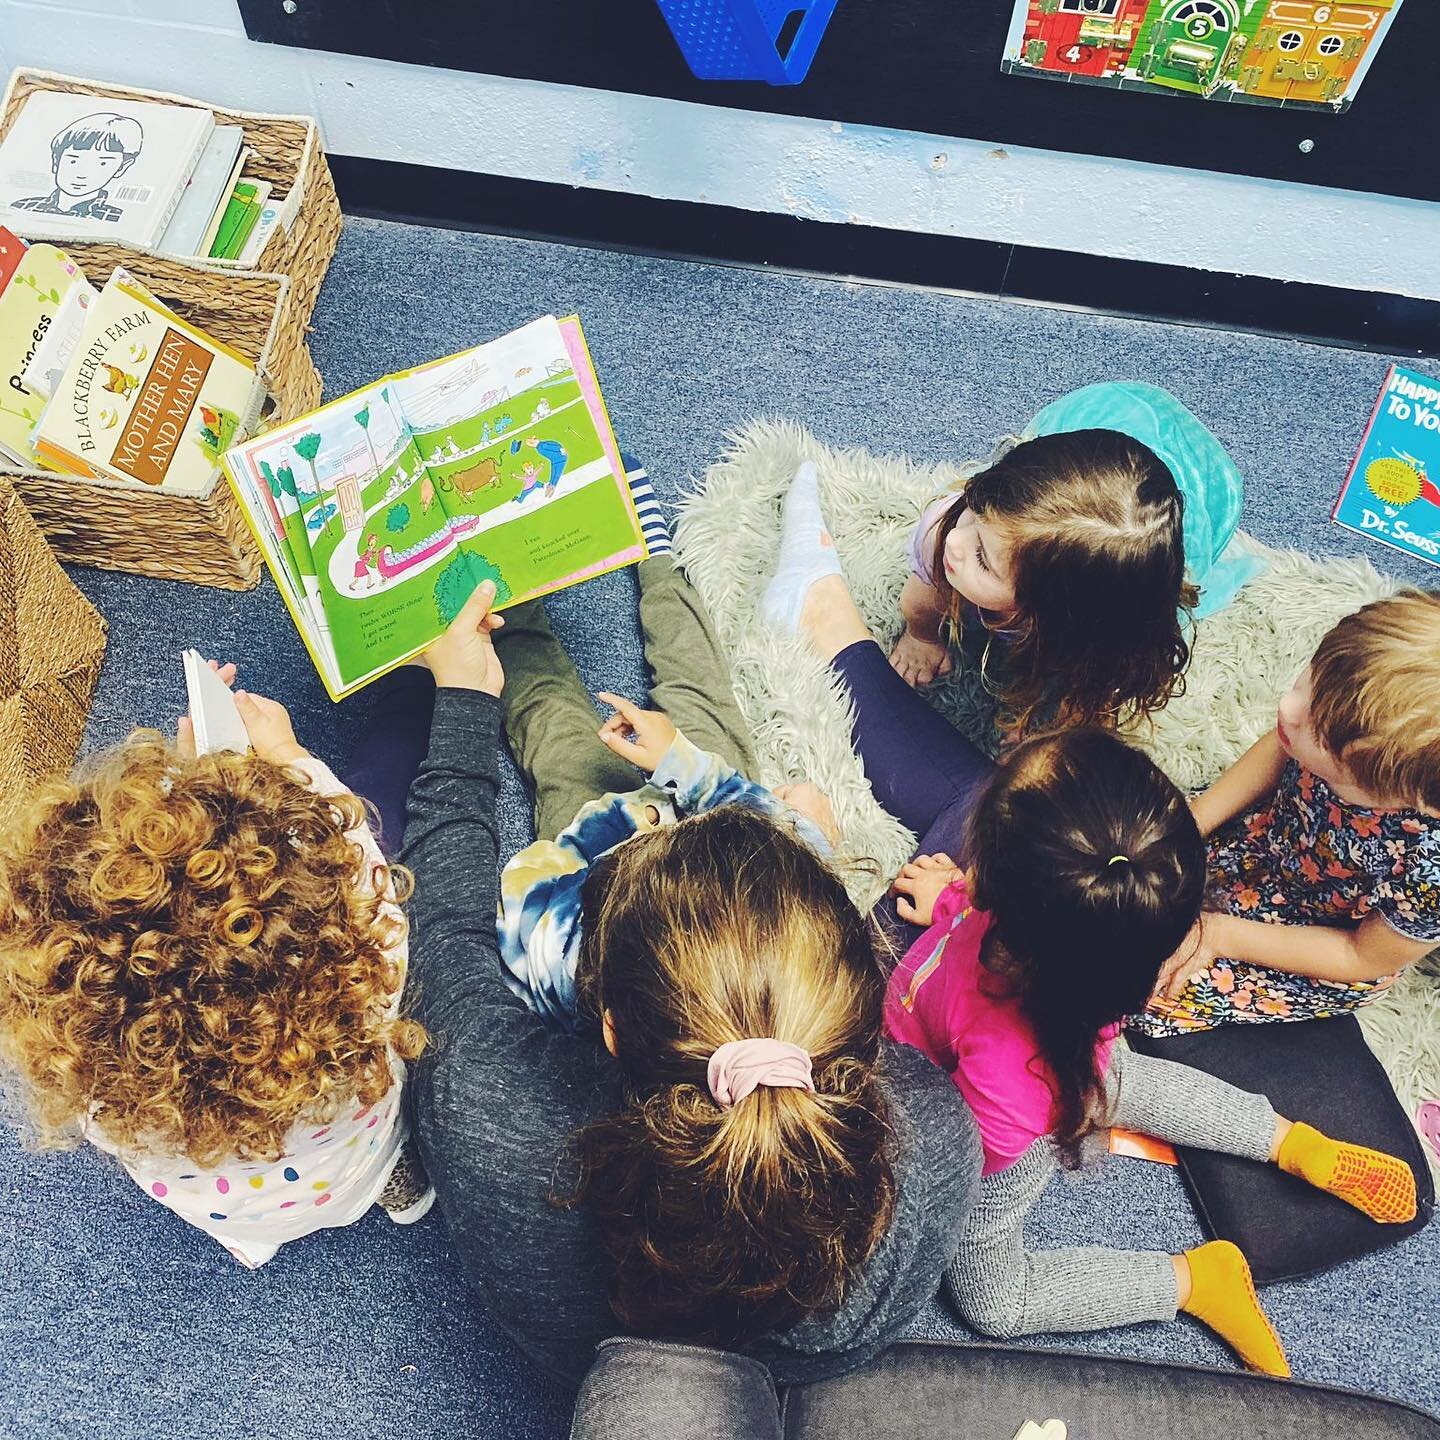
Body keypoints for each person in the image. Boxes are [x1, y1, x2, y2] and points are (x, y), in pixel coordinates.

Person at [400, 488, 983, 1385]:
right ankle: (647, 556)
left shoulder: (493, 1108)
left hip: (654, 857)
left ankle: (518, 591)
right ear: (863, 1009)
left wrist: (461, 703)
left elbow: (440, 919)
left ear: (605, 1028)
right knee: (686, 711)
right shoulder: (937, 1137)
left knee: (563, 744)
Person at [883, 727, 1418, 1372]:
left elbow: (960, 1158)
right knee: (1128, 1084)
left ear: (1000, 888)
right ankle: (1293, 1143)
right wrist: (949, 899)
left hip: (1004, 1132)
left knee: (996, 1300)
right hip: (1065, 1056)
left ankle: (1192, 1281)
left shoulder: (1003, 1081)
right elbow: (988, 911)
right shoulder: (1091, 941)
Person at [0, 666, 431, 1269]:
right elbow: (356, 850)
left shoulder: (93, 1080)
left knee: (231, 1199)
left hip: (236, 1206)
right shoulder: (361, 971)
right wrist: (281, 754)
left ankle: (264, 1237)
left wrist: (191, 790)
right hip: (353, 1154)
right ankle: (398, 1186)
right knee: (384, 1135)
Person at [1138, 590, 1440, 1034]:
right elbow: (1280, 749)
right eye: (1309, 680)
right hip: (1265, 840)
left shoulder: (1431, 866)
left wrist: (1222, 935)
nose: (1288, 708)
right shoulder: (1323, 725)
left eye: (1311, 727)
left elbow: (1363, 956)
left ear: (1384, 793)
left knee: (1141, 985)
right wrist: (1191, 823)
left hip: (1313, 934)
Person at [884, 384, 1263, 735]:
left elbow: (1096, 694)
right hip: (1097, 436)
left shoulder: (1104, 636)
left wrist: (1057, 729)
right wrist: (922, 636)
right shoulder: (947, 522)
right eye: (975, 512)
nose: (955, 542)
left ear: (1055, 614)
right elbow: (924, 594)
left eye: (983, 559)